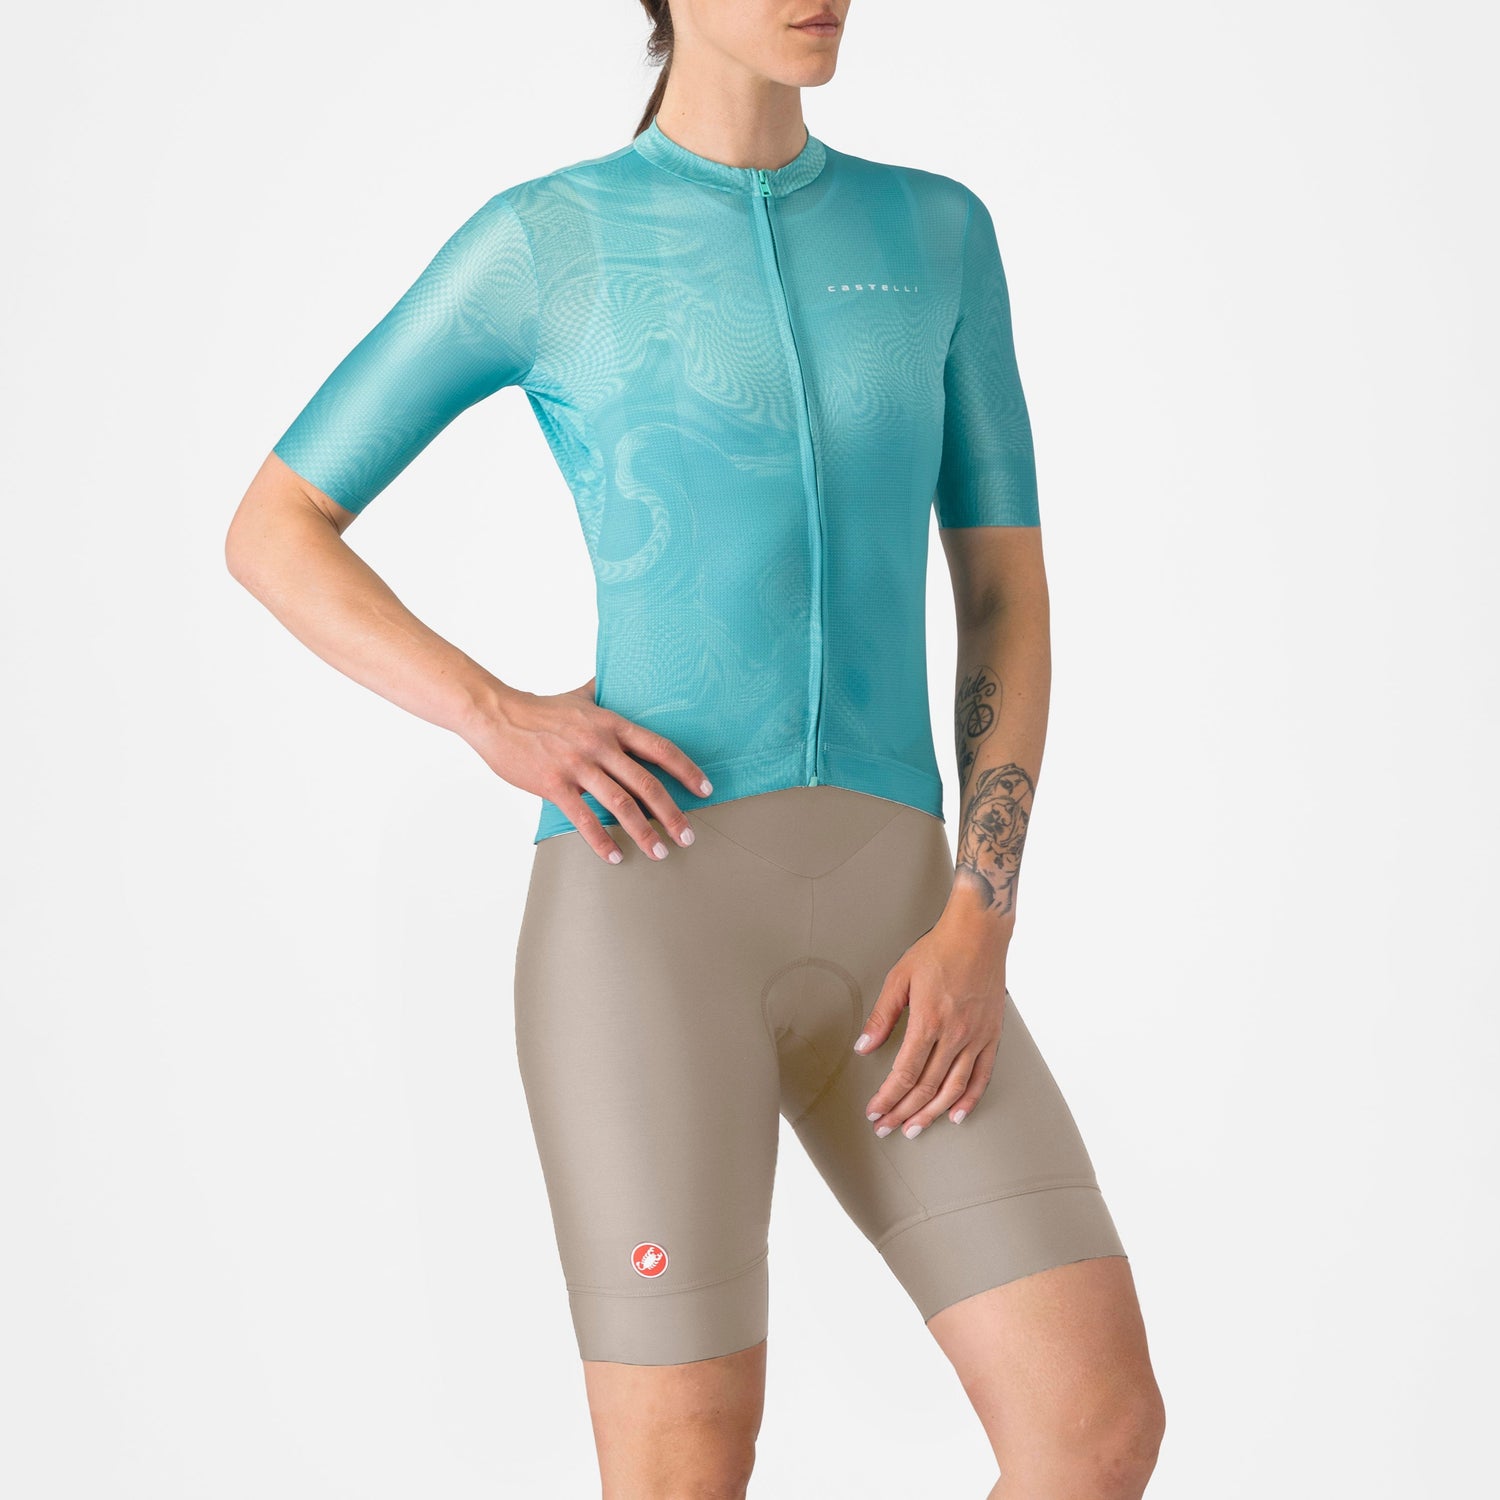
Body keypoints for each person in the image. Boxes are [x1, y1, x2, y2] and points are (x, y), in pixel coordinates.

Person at [226, 1, 1166, 1494]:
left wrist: (980, 911)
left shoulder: (936, 233)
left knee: (1094, 1429)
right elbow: (277, 526)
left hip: (911, 935)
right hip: (644, 927)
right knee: (684, 1472)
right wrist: (493, 713)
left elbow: (1004, 589)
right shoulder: (548, 243)